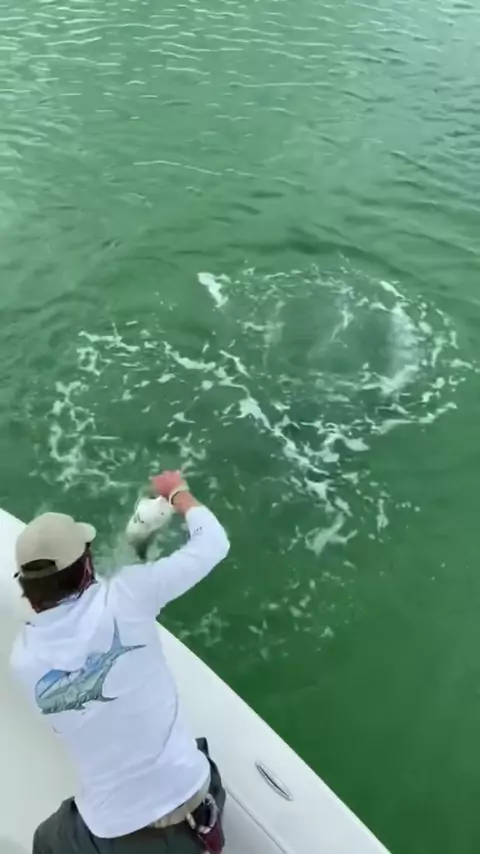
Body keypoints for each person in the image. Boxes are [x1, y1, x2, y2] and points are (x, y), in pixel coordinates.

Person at [10, 471, 230, 854]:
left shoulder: (23, 660)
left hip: (116, 835)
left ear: (27, 592)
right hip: (197, 807)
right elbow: (214, 542)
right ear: (87, 567)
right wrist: (177, 493)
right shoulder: (129, 595)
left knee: (47, 841)